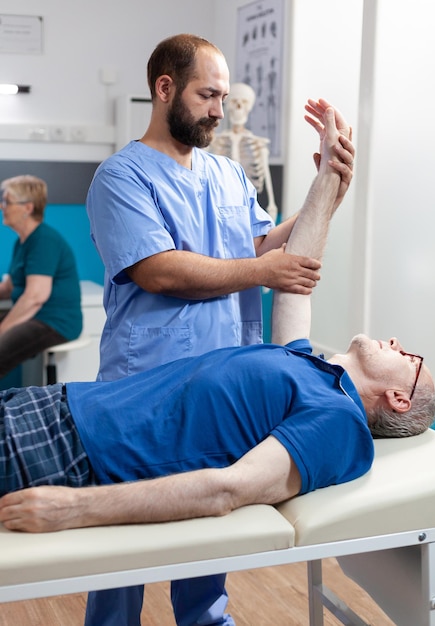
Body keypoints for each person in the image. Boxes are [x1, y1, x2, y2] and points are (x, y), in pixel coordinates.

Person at [0, 106, 435, 537]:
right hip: (61, 404)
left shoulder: (339, 425)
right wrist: (329, 183)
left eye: (409, 357)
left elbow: (228, 489)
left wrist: (73, 509)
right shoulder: (309, 369)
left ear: (399, 398)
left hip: (73, 450)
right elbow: (297, 283)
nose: (396, 341)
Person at [85, 32, 354, 626]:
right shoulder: (121, 177)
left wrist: (324, 189)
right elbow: (160, 272)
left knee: (207, 542)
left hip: (222, 384)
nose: (218, 110)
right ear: (164, 89)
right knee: (117, 552)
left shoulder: (227, 175)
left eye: (224, 97)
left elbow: (260, 243)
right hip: (145, 387)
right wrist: (262, 269)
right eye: (207, 95)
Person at [0, 175, 82, 380]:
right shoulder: (23, 242)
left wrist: (3, 329)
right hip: (35, 316)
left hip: (53, 322)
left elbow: (35, 297)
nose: (2, 207)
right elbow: (8, 288)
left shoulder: (44, 240)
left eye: (7, 202)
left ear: (27, 208)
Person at [208, 82, 278, 220]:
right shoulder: (213, 140)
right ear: (228, 106)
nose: (239, 106)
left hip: (248, 210)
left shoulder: (259, 144)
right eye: (234, 101)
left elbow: (271, 202)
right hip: (218, 208)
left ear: (249, 107)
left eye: (243, 102)